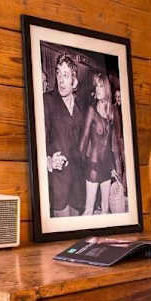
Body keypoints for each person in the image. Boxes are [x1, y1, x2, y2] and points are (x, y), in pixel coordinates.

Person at [43, 54, 86, 217]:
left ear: (74, 81)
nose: (60, 79)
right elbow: (39, 139)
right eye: (58, 73)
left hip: (78, 180)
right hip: (58, 180)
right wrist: (48, 160)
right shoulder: (47, 101)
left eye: (66, 75)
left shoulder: (81, 106)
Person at [78, 72, 122, 215]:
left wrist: (115, 167)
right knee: (89, 210)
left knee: (105, 209)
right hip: (93, 166)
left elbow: (112, 144)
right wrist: (79, 167)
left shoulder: (112, 112)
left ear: (107, 89)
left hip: (106, 166)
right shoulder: (91, 110)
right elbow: (83, 141)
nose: (97, 89)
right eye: (96, 86)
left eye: (101, 86)